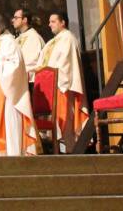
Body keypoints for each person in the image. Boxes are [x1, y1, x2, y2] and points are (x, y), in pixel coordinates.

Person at [0, 12, 40, 156]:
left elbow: (16, 66)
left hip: (7, 94)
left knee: (8, 124)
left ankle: (11, 155)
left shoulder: (9, 42)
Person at [31, 12, 88, 151]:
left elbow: (66, 64)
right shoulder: (52, 41)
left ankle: (69, 150)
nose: (49, 24)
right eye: (50, 21)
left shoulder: (68, 38)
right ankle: (54, 148)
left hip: (62, 85)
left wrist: (51, 75)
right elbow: (42, 62)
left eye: (53, 21)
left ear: (63, 22)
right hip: (50, 88)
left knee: (65, 118)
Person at [12, 8, 45, 81]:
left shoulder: (34, 37)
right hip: (19, 79)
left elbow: (31, 62)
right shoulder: (18, 38)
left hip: (30, 81)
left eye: (16, 18)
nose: (13, 20)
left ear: (25, 20)